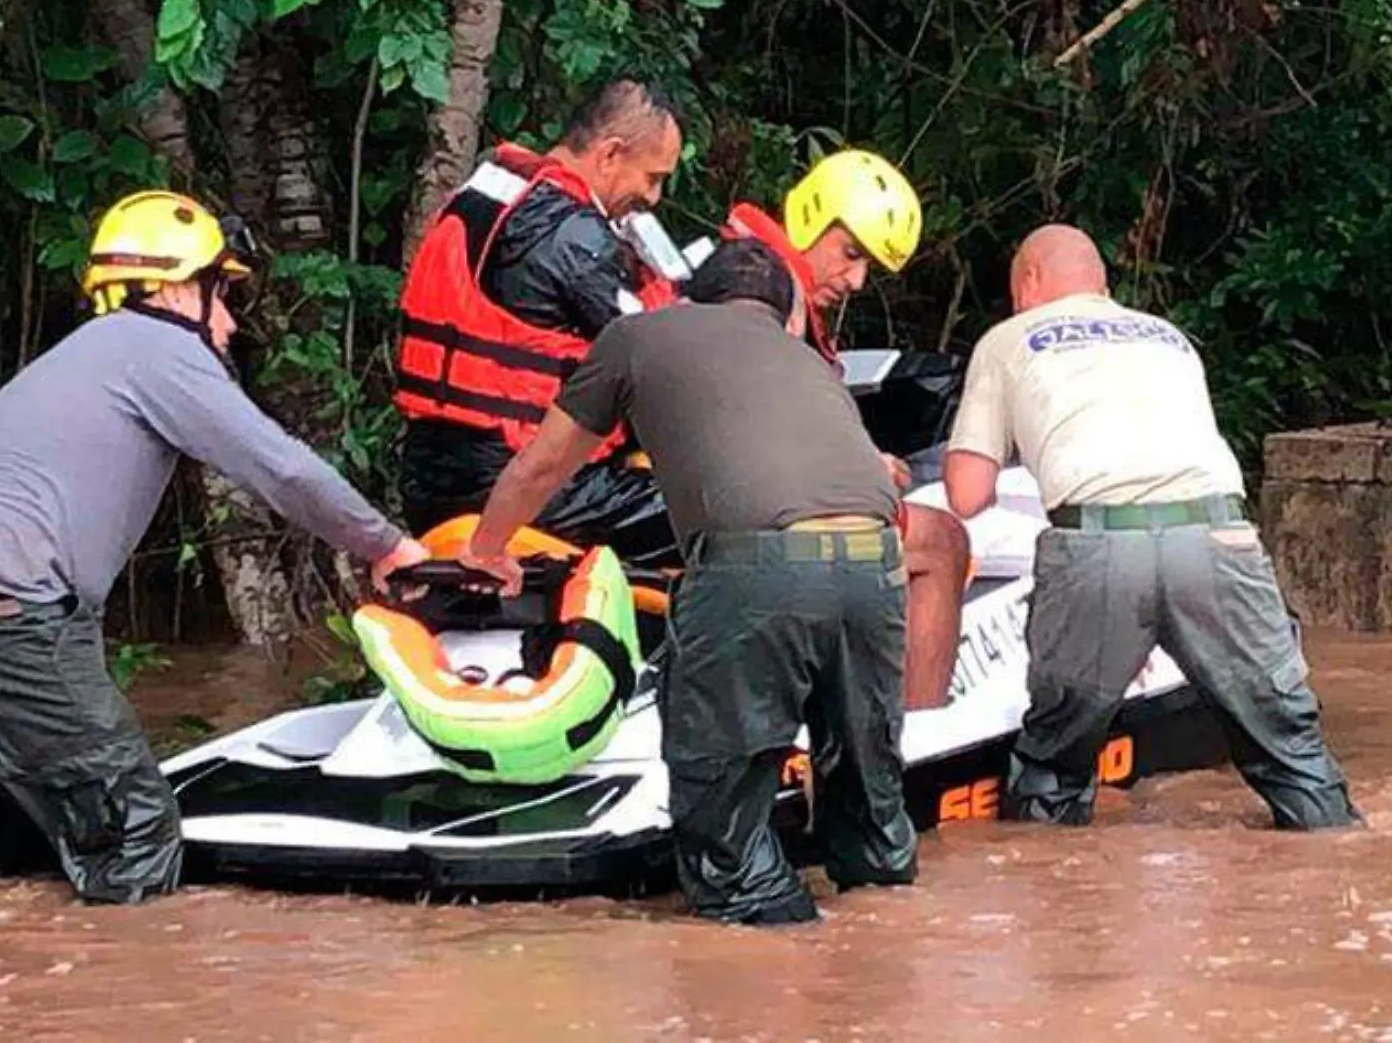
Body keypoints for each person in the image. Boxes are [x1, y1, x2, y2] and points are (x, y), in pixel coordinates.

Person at [0, 190, 430, 904]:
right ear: (178, 286)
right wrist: (389, 546)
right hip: (13, 614)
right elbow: (279, 466)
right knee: (139, 827)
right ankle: (125, 998)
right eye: (223, 294)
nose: (228, 320)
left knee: (8, 845)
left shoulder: (86, 356)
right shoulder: (160, 347)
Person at [461, 239, 918, 926]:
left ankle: (768, 983)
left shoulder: (637, 336)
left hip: (760, 568)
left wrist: (486, 548)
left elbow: (540, 467)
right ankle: (887, 953)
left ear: (691, 296)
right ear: (782, 313)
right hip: (876, 564)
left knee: (726, 823)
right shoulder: (809, 362)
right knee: (868, 790)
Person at [942, 223, 1363, 831]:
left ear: (1029, 280)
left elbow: (967, 494)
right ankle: (1337, 856)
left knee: (1055, 765)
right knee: (1293, 751)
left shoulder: (1009, 340)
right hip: (1219, 541)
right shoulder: (1169, 338)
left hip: (1100, 549)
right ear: (1103, 286)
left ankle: (1044, 894)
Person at [395, 77, 685, 566]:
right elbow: (656, 355)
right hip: (517, 488)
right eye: (652, 178)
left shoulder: (493, 191)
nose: (653, 199)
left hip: (432, 478)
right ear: (610, 155)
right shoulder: (570, 232)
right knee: (713, 511)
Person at [721, 148, 971, 712]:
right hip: (756, 523)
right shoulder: (765, 291)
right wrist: (855, 468)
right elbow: (753, 424)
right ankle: (918, 738)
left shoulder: (742, 270)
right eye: (851, 254)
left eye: (868, 268)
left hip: (735, 505)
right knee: (942, 543)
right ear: (813, 216)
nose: (857, 279)